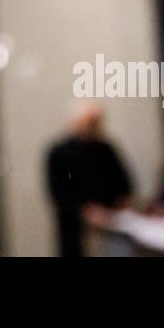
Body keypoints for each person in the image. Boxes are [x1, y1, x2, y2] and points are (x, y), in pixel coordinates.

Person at [45, 106, 132, 256]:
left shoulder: (106, 149)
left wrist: (118, 204)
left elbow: (123, 185)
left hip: (109, 224)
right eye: (90, 122)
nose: (94, 127)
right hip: (74, 228)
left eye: (97, 122)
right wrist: (83, 211)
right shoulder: (59, 152)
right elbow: (58, 193)